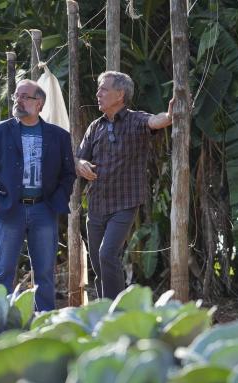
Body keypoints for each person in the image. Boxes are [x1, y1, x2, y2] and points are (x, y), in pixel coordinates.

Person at [0, 79, 75, 311]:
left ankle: (45, 323)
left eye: (24, 97)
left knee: (45, 274)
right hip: (10, 209)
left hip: (44, 209)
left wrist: (57, 201)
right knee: (3, 272)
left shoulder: (58, 136)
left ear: (39, 103)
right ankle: (1, 322)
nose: (18, 100)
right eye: (16, 96)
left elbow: (68, 173)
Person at [75, 71, 174, 300]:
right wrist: (81, 165)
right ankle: (104, 307)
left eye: (103, 89)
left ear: (120, 94)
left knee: (107, 254)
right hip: (97, 203)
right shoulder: (94, 127)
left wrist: (169, 116)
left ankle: (117, 311)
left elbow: (155, 121)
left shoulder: (135, 120)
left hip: (125, 203)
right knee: (99, 265)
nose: (98, 93)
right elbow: (78, 157)